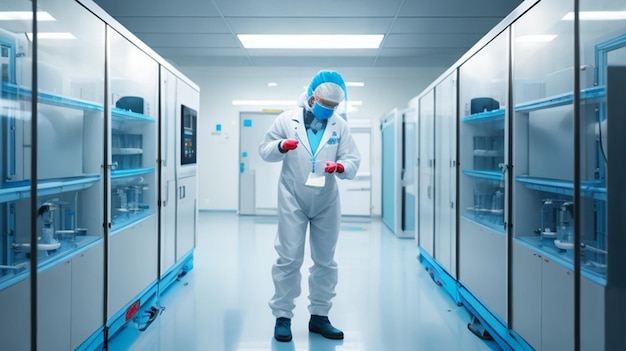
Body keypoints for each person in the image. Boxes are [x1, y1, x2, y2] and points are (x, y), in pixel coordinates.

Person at [258, 70, 361, 342]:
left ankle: (319, 317)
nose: (328, 110)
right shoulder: (286, 119)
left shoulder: (340, 125)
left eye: (333, 107)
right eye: (324, 104)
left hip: (326, 200)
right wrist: (281, 145)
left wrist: (341, 166)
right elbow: (264, 149)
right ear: (312, 97)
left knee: (325, 260)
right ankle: (283, 317)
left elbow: (353, 159)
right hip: (293, 196)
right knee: (289, 257)